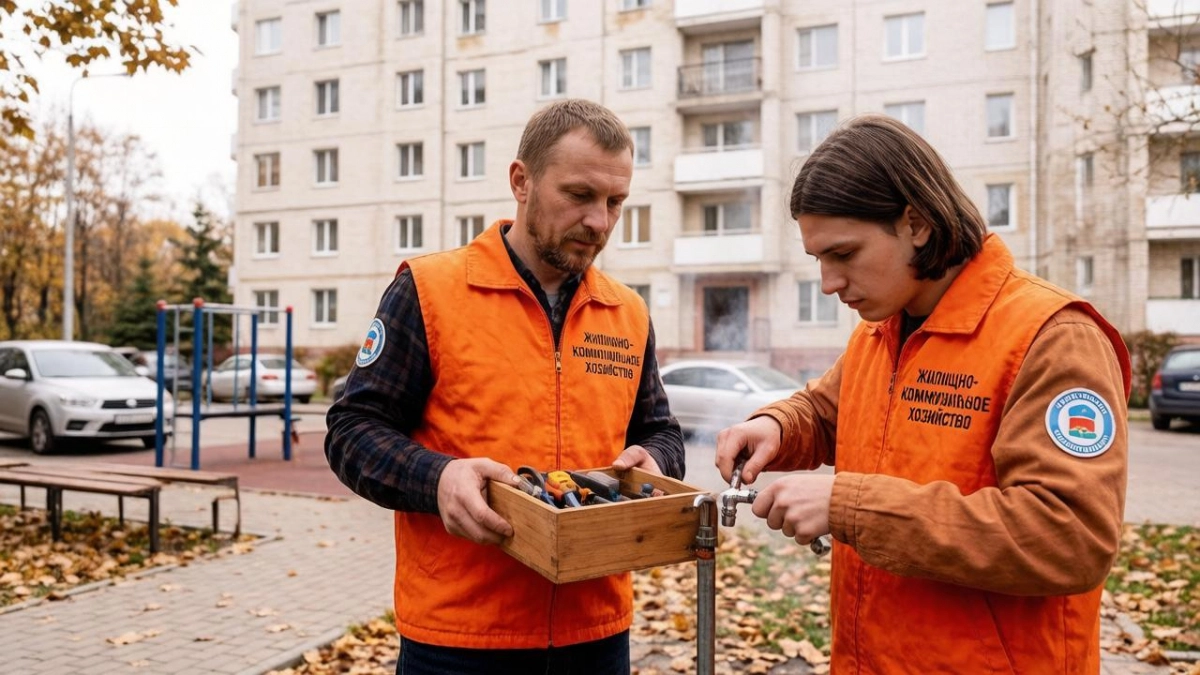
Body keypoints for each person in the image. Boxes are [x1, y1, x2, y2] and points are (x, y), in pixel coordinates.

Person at [715, 114, 1130, 673]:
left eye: (844, 254)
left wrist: (849, 506)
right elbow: (825, 411)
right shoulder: (881, 329)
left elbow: (1068, 536)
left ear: (916, 223)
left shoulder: (1054, 338)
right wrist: (777, 427)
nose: (829, 283)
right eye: (819, 260)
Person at [325, 98, 685, 675]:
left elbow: (659, 430)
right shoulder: (429, 290)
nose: (600, 221)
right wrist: (438, 478)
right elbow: (351, 431)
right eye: (580, 195)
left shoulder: (627, 311)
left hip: (595, 634)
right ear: (522, 181)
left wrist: (657, 459)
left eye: (616, 202)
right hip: (459, 639)